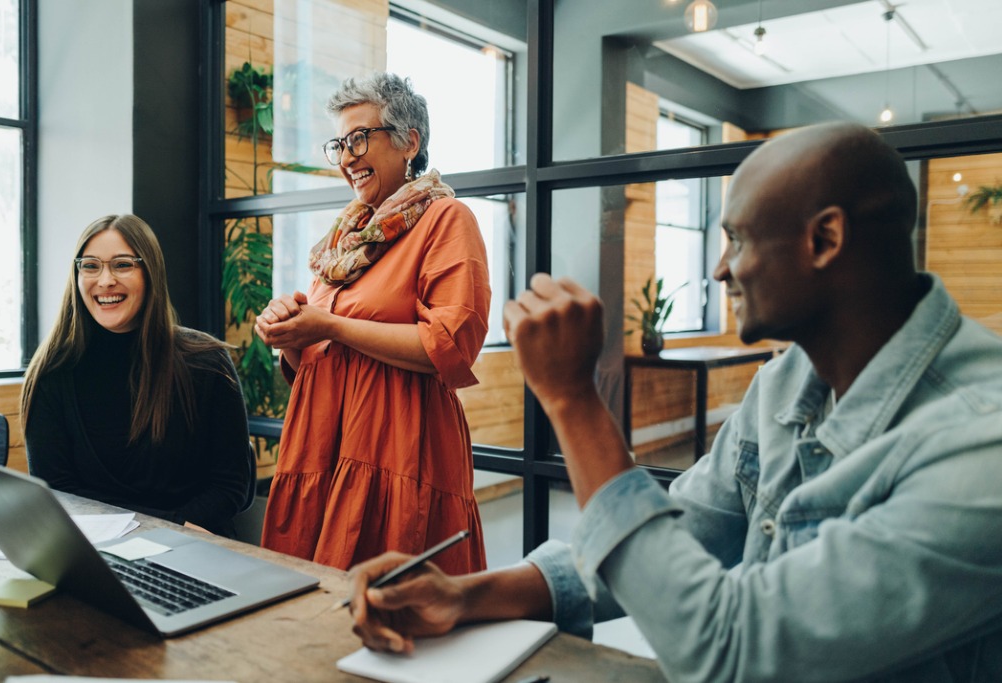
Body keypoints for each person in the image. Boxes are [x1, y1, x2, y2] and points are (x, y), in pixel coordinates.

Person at [346, 122, 1002, 682]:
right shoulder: (787, 379)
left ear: (825, 241)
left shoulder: (980, 448)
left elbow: (731, 647)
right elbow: (680, 531)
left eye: (738, 238)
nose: (720, 269)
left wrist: (574, 400)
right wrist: (467, 594)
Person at [255, 72, 490, 574]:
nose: (346, 157)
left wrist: (330, 326)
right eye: (339, 144)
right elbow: (314, 360)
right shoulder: (345, 240)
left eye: (360, 138)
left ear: (410, 142)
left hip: (398, 450)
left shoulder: (447, 220)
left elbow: (448, 345)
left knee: (395, 610)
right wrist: (290, 333)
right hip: (321, 447)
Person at [21, 214, 251, 537]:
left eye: (122, 265)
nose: (105, 281)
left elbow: (230, 486)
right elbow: (57, 492)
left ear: (150, 273)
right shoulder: (51, 372)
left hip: (190, 546)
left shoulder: (207, 362)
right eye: (90, 266)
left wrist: (167, 532)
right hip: (93, 552)